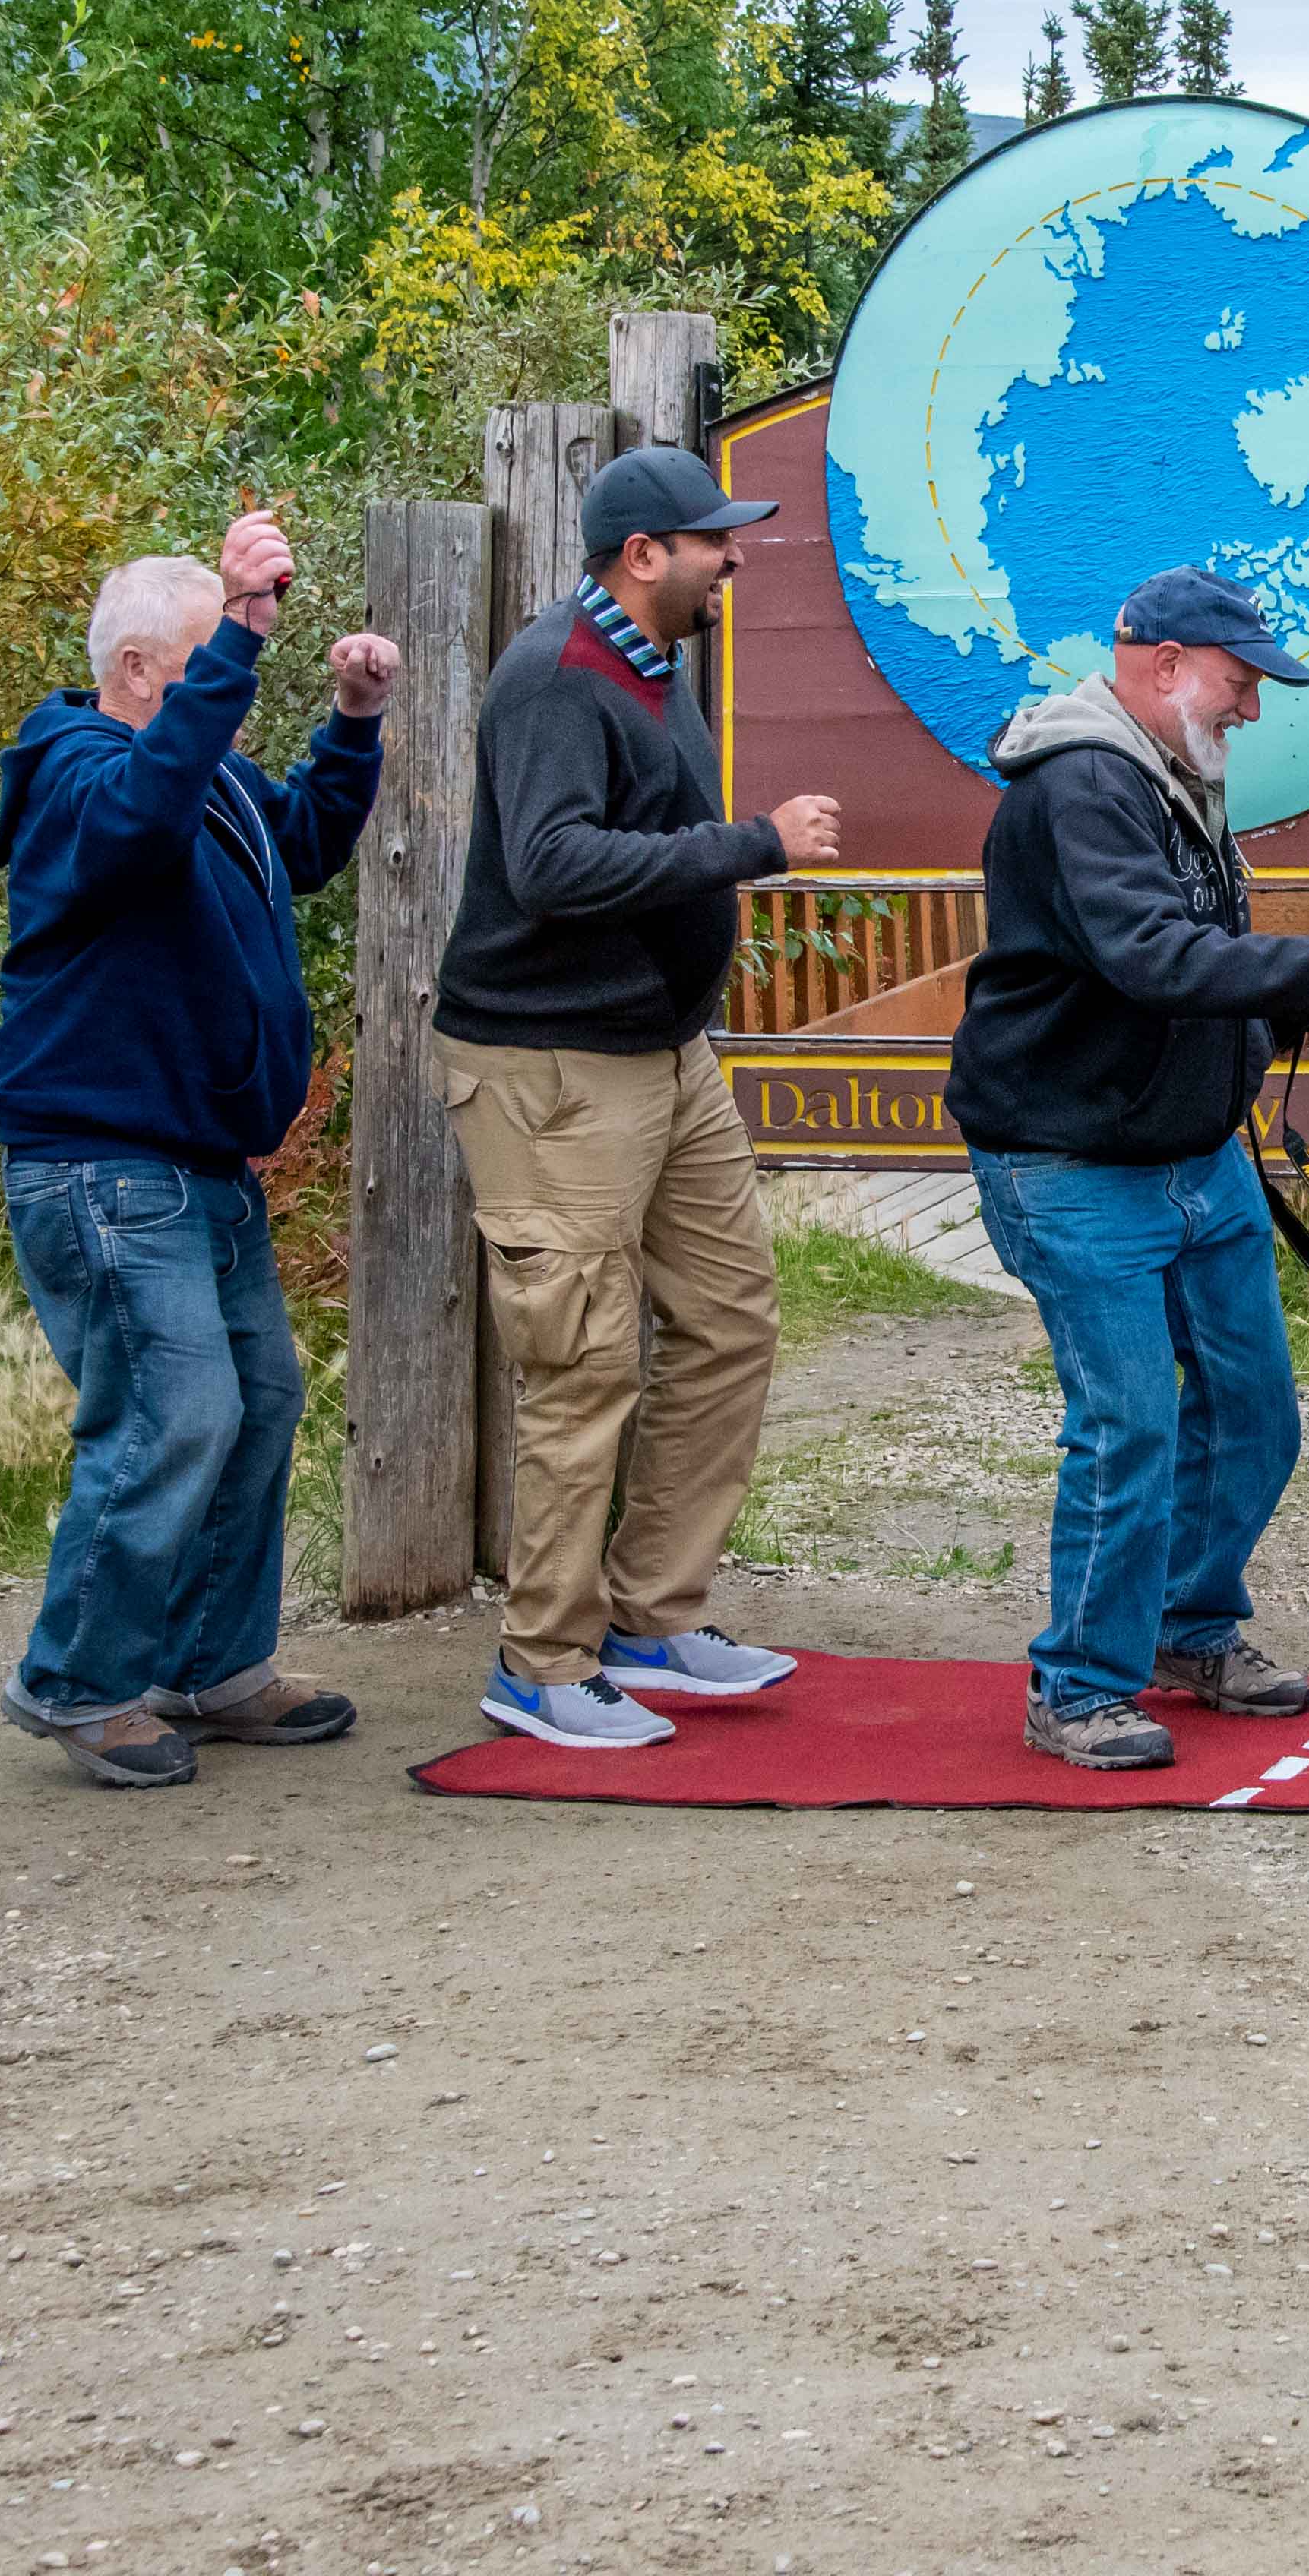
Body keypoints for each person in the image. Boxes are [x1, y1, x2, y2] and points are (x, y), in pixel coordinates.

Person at [945, 569, 1309, 1770]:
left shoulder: (1171, 777)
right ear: (1163, 664)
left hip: (1190, 1152)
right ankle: (1078, 1686)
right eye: (1241, 679)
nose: (1254, 707)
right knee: (1128, 1424)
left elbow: (1187, 960)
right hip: (1070, 1160)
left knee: (1255, 1411)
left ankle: (1186, 1630)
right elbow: (1155, 958)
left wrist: (1251, 1051)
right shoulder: (1085, 786)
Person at [0, 510, 394, 1787]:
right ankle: (77, 1681)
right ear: (146, 669)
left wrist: (353, 722)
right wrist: (250, 629)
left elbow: (307, 841)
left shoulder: (204, 777)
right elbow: (141, 815)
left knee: (257, 1401)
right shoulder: (79, 773)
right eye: (215, 657)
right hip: (103, 1164)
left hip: (196, 1164)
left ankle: (214, 1667)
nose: (236, 683)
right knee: (173, 1413)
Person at [438, 445, 843, 1749]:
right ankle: (541, 1664)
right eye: (716, 541)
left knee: (729, 1318)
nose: (736, 557)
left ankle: (649, 1618)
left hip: (665, 1054)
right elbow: (551, 865)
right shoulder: (559, 677)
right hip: (553, 1070)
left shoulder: (653, 665)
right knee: (582, 1356)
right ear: (643, 555)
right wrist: (753, 848)